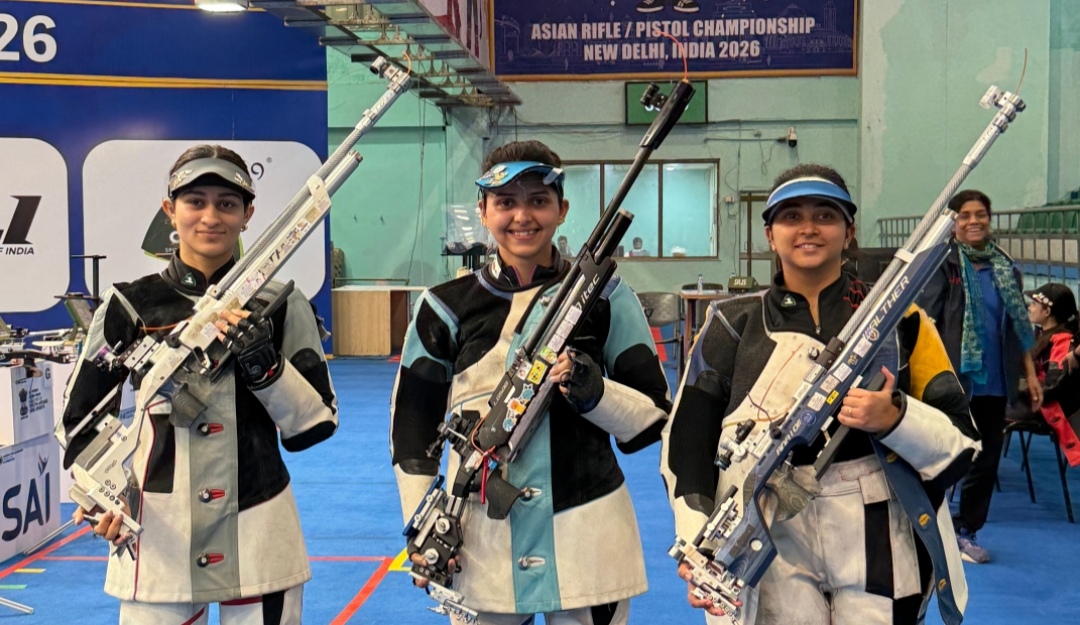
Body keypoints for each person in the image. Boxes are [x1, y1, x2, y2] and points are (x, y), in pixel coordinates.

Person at [661, 164, 980, 625]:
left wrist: (895, 418)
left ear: (849, 232)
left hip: (876, 524)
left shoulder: (902, 320)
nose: (808, 228)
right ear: (770, 234)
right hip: (767, 527)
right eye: (791, 216)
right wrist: (699, 543)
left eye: (825, 216)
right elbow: (687, 447)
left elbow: (962, 445)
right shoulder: (730, 324)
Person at [391, 140, 671, 625]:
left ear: (562, 210)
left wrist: (594, 393)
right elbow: (412, 432)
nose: (523, 216)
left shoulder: (605, 297)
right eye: (506, 202)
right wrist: (425, 526)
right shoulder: (442, 306)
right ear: (482, 210)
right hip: (480, 537)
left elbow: (652, 417)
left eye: (539, 200)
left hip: (587, 531)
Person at [59, 145, 338, 624]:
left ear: (249, 215)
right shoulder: (130, 306)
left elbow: (314, 428)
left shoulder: (281, 305)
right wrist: (105, 499)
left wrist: (266, 369)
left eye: (227, 204)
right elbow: (80, 423)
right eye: (196, 201)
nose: (211, 217)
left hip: (260, 524)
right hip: (156, 533)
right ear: (170, 209)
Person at [917, 189, 1039, 564]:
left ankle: (965, 531)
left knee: (985, 461)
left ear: (989, 218)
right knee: (937, 457)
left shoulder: (1007, 269)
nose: (974, 221)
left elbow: (1019, 329)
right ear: (953, 222)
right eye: (965, 215)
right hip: (951, 383)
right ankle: (921, 528)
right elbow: (924, 324)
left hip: (995, 383)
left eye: (980, 214)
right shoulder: (941, 265)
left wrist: (1031, 375)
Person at [1022, 283, 1080, 466]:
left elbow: (1052, 386)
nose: (1029, 307)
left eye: (1034, 303)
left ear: (1047, 312)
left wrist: (1019, 393)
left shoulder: (1061, 340)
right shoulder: (1040, 335)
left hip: (1049, 408)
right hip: (1038, 402)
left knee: (989, 410)